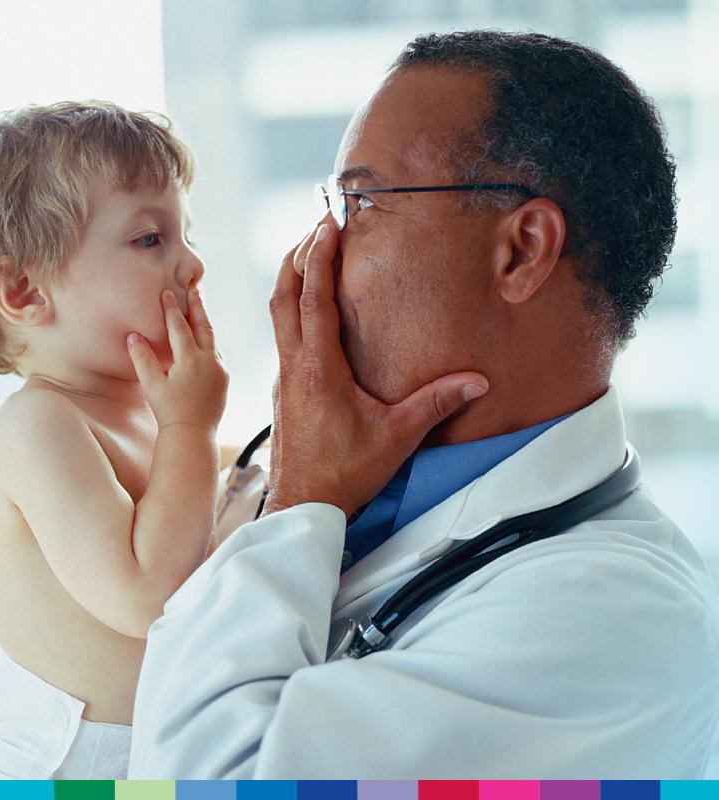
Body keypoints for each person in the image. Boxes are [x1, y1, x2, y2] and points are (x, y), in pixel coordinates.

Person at [129, 30, 719, 778]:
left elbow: (201, 779)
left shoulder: (620, 622)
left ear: (521, 249)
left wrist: (301, 504)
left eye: (362, 201)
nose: (317, 253)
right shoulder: (320, 483)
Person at [0, 101, 227, 778]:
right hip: (57, 769)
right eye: (152, 239)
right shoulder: (39, 424)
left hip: (147, 761)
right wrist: (192, 428)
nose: (192, 265)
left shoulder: (154, 416)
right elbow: (149, 597)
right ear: (24, 291)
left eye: (187, 235)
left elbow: (219, 511)